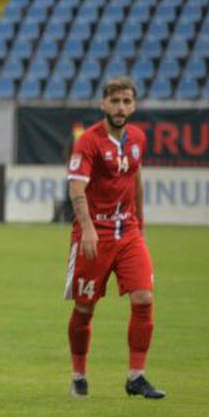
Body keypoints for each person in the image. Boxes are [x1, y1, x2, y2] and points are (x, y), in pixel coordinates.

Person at [64, 77, 164, 399]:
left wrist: (142, 223)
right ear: (104, 104)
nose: (121, 107)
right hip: (95, 235)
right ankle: (79, 374)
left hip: (129, 232)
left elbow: (136, 179)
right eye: (115, 101)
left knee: (144, 298)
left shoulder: (137, 138)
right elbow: (76, 188)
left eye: (126, 101)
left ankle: (137, 376)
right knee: (84, 308)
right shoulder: (88, 142)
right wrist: (89, 229)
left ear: (133, 106)